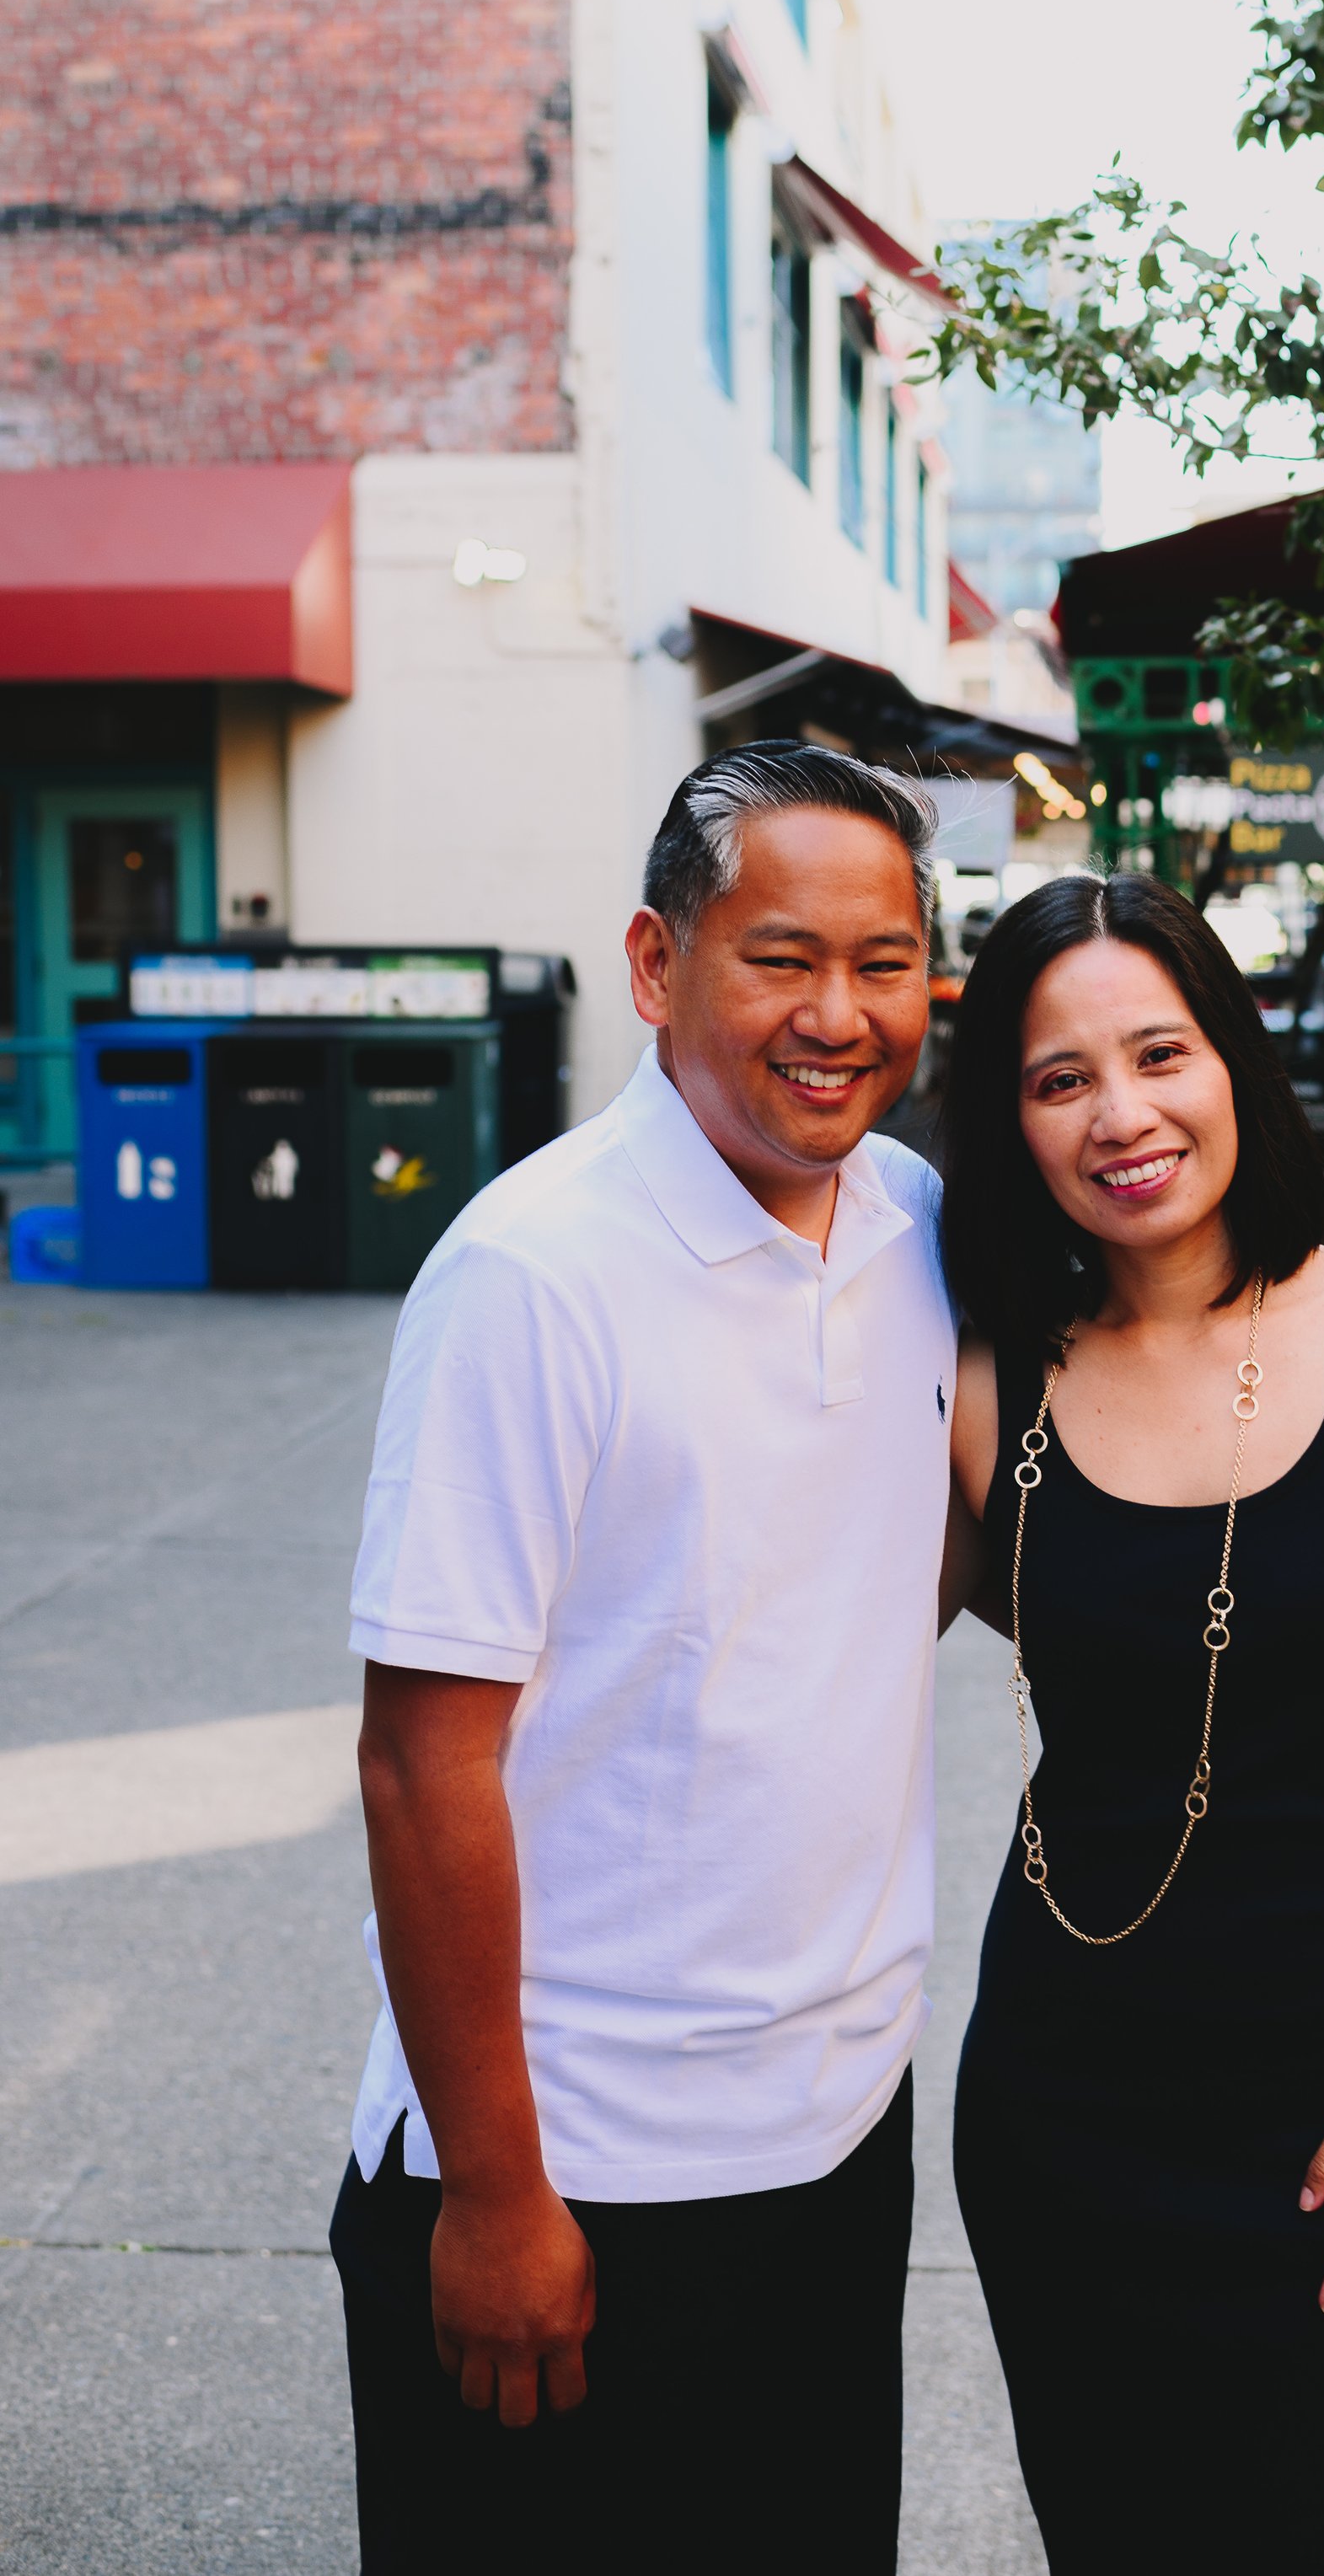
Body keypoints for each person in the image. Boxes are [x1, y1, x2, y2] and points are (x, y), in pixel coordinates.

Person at [329, 744, 951, 2573]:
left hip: (832, 2133)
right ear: (655, 963)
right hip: (572, 2167)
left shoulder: (909, 1227)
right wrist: (500, 2193)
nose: (836, 1015)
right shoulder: (533, 1275)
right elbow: (418, 1759)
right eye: (779, 957)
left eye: (884, 960)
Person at [937, 872, 1324, 2573]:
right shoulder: (989, 1385)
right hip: (1067, 2113)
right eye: (1059, 1079)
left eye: (1159, 1052)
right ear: (1011, 1120)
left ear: (1232, 1065)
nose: (1120, 1114)